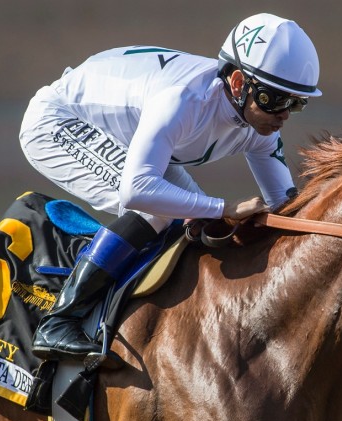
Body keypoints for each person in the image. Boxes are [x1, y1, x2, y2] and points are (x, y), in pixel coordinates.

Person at [19, 13, 322, 361]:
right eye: (275, 99)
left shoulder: (259, 126)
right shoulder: (184, 101)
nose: (283, 114)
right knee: (158, 208)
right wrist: (225, 208)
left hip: (127, 129)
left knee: (195, 220)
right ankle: (59, 321)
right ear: (238, 82)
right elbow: (137, 191)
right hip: (59, 119)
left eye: (296, 103)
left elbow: (286, 206)